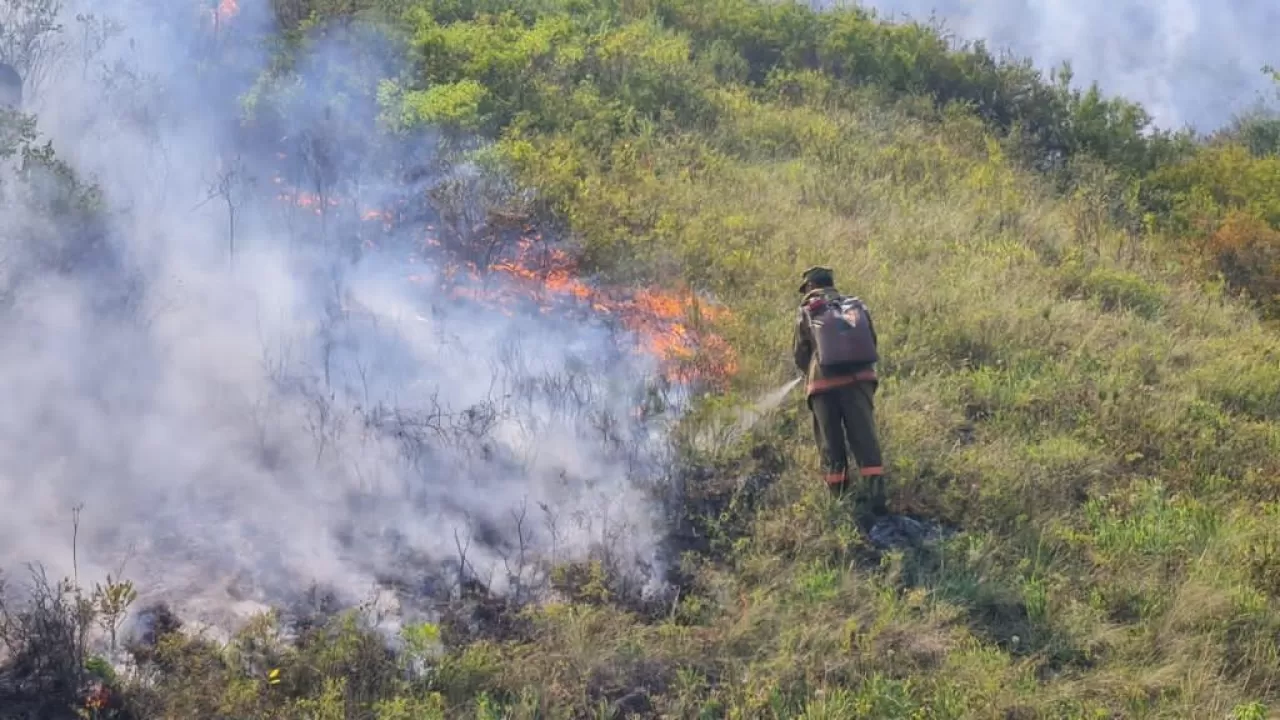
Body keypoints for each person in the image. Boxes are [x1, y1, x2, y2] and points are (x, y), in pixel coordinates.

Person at [792, 265, 887, 514]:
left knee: (830, 442)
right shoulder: (856, 306)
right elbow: (872, 341)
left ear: (811, 286)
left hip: (823, 386)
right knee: (865, 438)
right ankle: (876, 498)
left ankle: (840, 500)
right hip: (860, 380)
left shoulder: (808, 310)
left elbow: (801, 353)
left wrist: (809, 371)